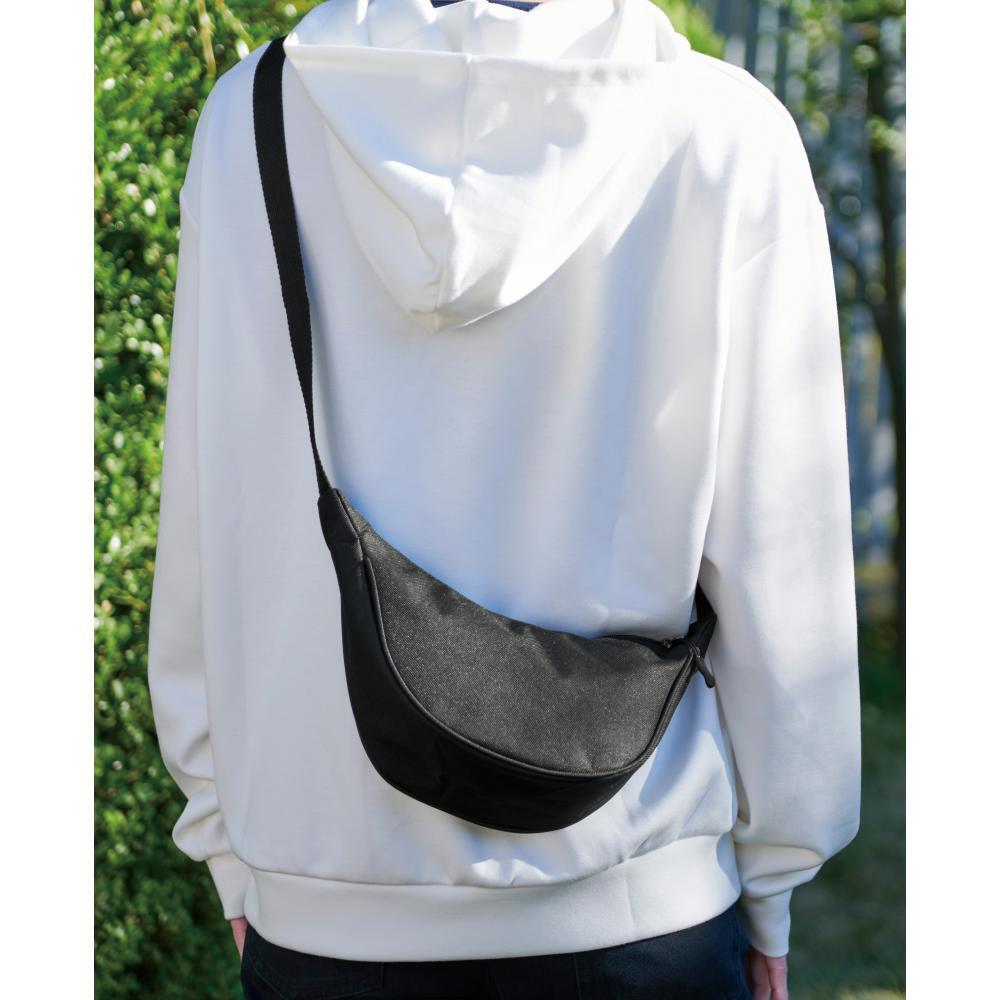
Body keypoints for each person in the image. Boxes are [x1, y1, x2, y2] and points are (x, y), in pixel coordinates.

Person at [146, 0, 861, 997]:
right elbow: (781, 546)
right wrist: (779, 867)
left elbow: (208, 511)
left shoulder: (252, 117)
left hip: (326, 925)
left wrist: (227, 841)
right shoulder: (723, 136)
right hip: (637, 906)